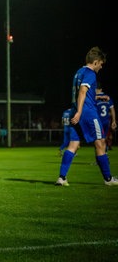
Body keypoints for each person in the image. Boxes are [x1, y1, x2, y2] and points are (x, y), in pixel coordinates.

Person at [55, 46, 118, 186]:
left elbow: (84, 93)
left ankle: (62, 177)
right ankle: (108, 179)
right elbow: (83, 92)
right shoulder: (90, 73)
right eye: (101, 64)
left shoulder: (79, 72)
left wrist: (98, 99)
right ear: (95, 62)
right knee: (100, 143)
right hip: (87, 113)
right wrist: (80, 112)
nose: (101, 67)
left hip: (75, 111)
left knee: (73, 145)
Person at [96, 82, 116, 152]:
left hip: (98, 122)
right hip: (106, 121)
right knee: (103, 139)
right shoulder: (108, 97)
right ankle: (105, 155)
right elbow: (112, 109)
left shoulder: (94, 98)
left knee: (98, 140)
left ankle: (99, 158)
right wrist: (114, 121)